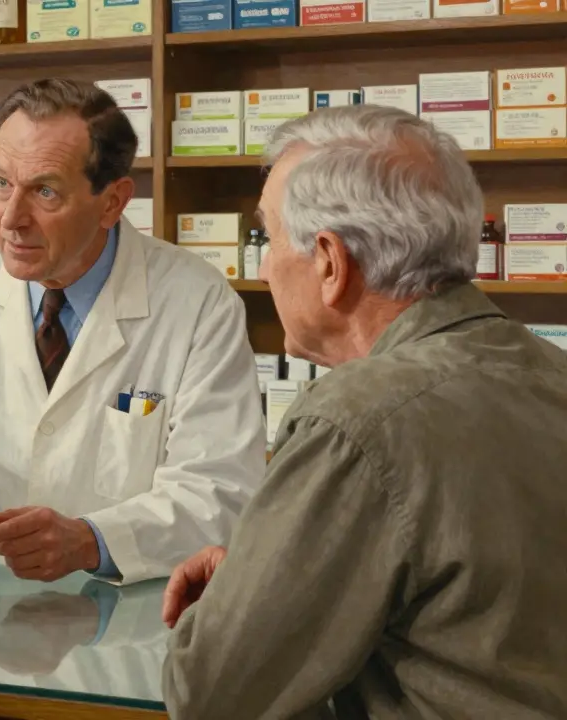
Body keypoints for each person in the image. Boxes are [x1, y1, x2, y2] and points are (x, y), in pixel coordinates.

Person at [161, 105, 567, 717]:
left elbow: (212, 693)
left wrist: (242, 594)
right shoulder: (548, 372)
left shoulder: (356, 419)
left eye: (269, 239)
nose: (266, 267)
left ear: (330, 261)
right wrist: (277, 567)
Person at [0, 78, 266, 586]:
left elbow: (220, 492)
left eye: (44, 191)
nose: (10, 219)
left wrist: (91, 542)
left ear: (112, 202)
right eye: (2, 183)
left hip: (133, 626)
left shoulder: (197, 301)